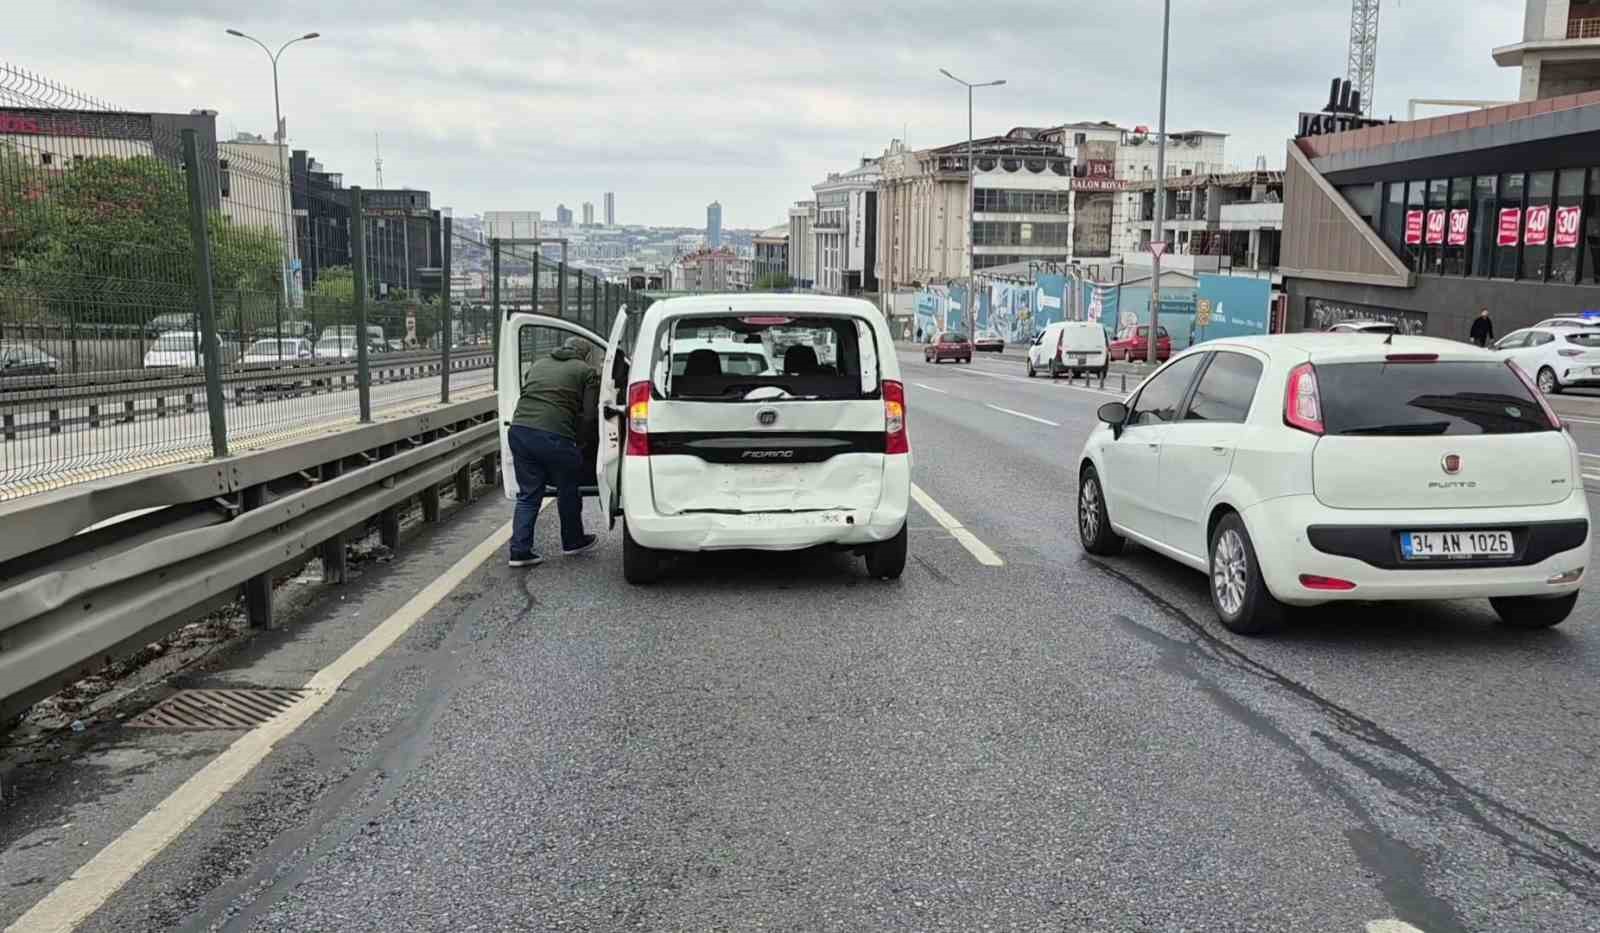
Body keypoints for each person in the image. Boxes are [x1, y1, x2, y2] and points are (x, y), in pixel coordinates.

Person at [506, 336, 600, 567]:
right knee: (567, 488)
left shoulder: (538, 364)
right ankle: (572, 541)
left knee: (528, 495)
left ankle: (519, 551)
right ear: (585, 355)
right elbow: (589, 414)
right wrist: (582, 443)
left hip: (519, 431)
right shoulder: (586, 371)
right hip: (554, 435)